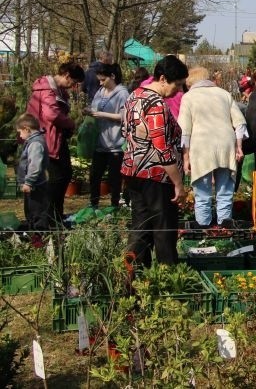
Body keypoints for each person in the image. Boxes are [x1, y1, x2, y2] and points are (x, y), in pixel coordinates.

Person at [122, 55, 188, 267]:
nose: (178, 90)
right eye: (176, 84)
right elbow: (162, 147)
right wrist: (178, 183)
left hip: (132, 169)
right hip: (156, 175)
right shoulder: (157, 104)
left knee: (140, 226)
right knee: (164, 228)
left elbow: (125, 130)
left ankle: (135, 272)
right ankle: (168, 275)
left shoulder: (134, 96)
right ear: (162, 78)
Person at [179, 67, 247, 229]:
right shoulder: (224, 94)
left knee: (202, 191)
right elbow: (240, 123)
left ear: (190, 82)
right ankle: (225, 225)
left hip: (201, 146)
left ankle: (203, 226)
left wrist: (186, 158)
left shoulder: (188, 97)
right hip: (226, 144)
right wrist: (239, 147)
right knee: (225, 190)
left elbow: (185, 131)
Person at [27, 61, 85, 225]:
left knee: (64, 176)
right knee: (56, 180)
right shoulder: (47, 90)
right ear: (67, 75)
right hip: (46, 142)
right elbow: (51, 114)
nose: (73, 86)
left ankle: (55, 216)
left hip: (54, 139)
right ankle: (48, 219)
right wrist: (70, 123)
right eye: (73, 82)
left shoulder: (56, 90)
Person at [87, 63, 128, 209]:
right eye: (99, 80)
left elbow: (125, 116)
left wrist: (102, 115)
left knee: (114, 179)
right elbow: (94, 107)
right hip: (100, 142)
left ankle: (115, 205)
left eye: (103, 79)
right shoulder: (100, 91)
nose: (100, 82)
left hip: (115, 144)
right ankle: (93, 205)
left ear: (112, 77)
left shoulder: (122, 94)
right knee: (94, 176)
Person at [16, 114, 49, 232]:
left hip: (36, 186)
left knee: (37, 213)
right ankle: (33, 234)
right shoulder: (33, 141)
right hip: (33, 186)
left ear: (27, 129)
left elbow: (34, 165)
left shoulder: (35, 144)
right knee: (30, 211)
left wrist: (29, 182)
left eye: (20, 132)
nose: (20, 135)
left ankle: (39, 237)